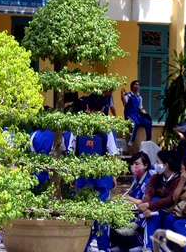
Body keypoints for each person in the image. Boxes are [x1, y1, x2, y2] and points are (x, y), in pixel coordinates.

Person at [66, 95, 118, 252]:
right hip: (102, 177)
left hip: (82, 176)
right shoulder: (107, 127)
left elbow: (70, 152)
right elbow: (113, 154)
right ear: (103, 109)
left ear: (87, 107)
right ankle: (103, 248)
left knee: (83, 215)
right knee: (101, 215)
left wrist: (72, 175)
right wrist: (113, 176)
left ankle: (83, 246)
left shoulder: (78, 127)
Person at [138, 150, 181, 251]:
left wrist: (149, 205)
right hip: (154, 210)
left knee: (155, 210)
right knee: (153, 217)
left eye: (158, 162)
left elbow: (170, 200)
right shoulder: (156, 177)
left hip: (169, 209)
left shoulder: (177, 180)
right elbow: (149, 192)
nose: (156, 165)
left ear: (166, 165)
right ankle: (148, 248)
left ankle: (146, 244)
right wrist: (146, 206)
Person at [121, 80, 153, 146]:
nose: (137, 86)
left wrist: (145, 113)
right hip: (129, 114)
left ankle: (148, 141)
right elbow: (124, 102)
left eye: (138, 85)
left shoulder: (139, 97)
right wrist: (121, 93)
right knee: (136, 123)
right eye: (135, 84)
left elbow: (140, 108)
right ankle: (131, 141)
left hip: (137, 114)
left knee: (148, 123)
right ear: (132, 86)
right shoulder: (128, 95)